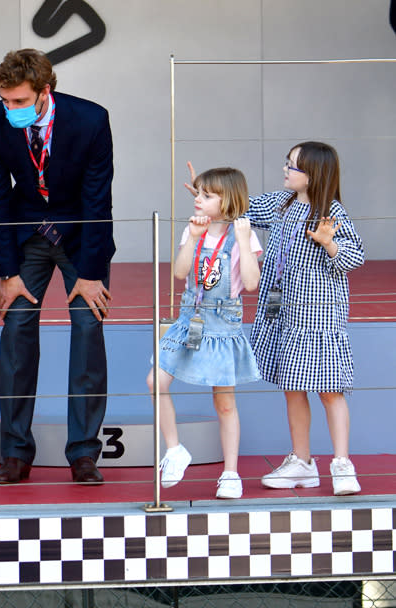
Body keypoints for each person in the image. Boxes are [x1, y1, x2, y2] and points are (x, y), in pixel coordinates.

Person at [0, 48, 114, 485]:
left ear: (44, 92)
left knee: (88, 330)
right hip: (27, 235)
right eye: (5, 100)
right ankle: (15, 452)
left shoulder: (91, 119)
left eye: (19, 101)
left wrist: (91, 274)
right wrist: (7, 273)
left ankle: (84, 454)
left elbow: (98, 199)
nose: (10, 109)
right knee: (16, 329)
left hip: (80, 238)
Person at [246, 141, 365, 496]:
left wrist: (330, 243)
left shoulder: (331, 211)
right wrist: (213, 193)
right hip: (283, 312)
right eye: (287, 163)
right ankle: (302, 461)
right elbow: (243, 209)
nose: (285, 169)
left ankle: (342, 463)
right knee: (292, 387)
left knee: (330, 390)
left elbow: (354, 257)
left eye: (293, 166)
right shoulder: (279, 205)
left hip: (319, 317)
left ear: (314, 174)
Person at [147, 167, 262, 499]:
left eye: (207, 195)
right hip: (189, 318)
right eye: (198, 194)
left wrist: (242, 239)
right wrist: (194, 237)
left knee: (224, 401)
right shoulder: (194, 228)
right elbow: (180, 272)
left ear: (227, 200)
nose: (197, 200)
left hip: (223, 324)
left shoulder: (244, 234)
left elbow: (252, 283)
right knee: (156, 381)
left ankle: (230, 472)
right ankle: (174, 449)